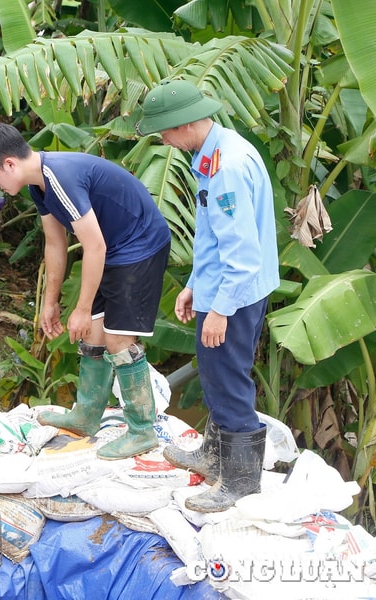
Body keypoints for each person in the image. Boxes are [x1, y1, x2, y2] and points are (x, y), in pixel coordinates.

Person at [0, 123, 171, 461]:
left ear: (9, 164)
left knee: (118, 339)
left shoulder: (60, 177)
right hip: (112, 247)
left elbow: (94, 246)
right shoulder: (40, 186)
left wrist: (79, 308)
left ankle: (142, 431)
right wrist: (50, 304)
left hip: (139, 245)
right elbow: (55, 244)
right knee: (93, 333)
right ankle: (87, 414)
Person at [137, 80, 279, 513]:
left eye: (164, 131)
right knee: (217, 375)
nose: (163, 140)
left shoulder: (226, 168)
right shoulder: (216, 154)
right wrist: (196, 285)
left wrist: (218, 309)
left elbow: (241, 253)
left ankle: (239, 482)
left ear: (185, 123)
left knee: (229, 381)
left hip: (233, 296)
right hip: (222, 289)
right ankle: (213, 455)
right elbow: (214, 239)